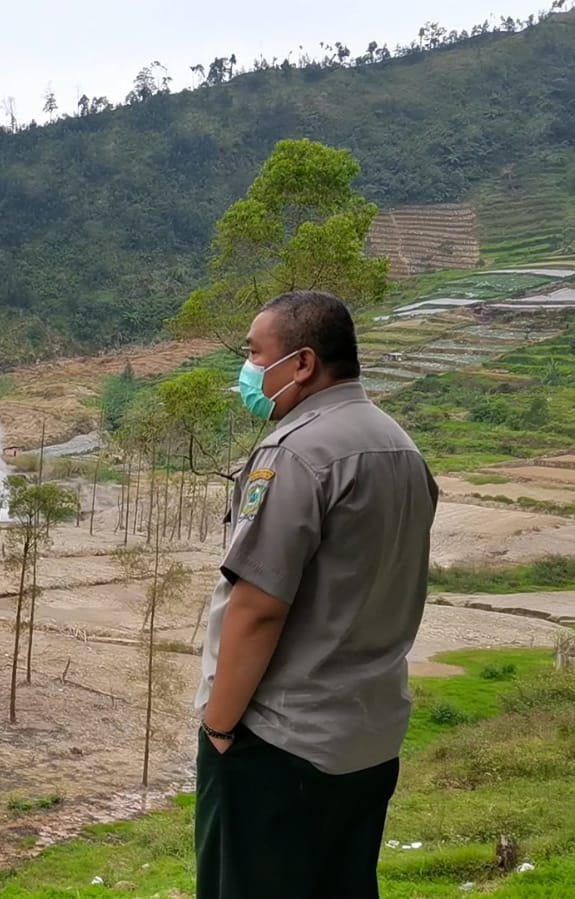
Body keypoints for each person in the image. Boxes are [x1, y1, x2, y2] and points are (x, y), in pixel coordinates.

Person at [194, 290, 439, 899]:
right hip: (369, 738)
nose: (247, 371)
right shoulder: (399, 447)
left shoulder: (297, 453)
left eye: (255, 354)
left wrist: (221, 729)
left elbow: (257, 607)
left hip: (282, 743)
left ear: (301, 363)